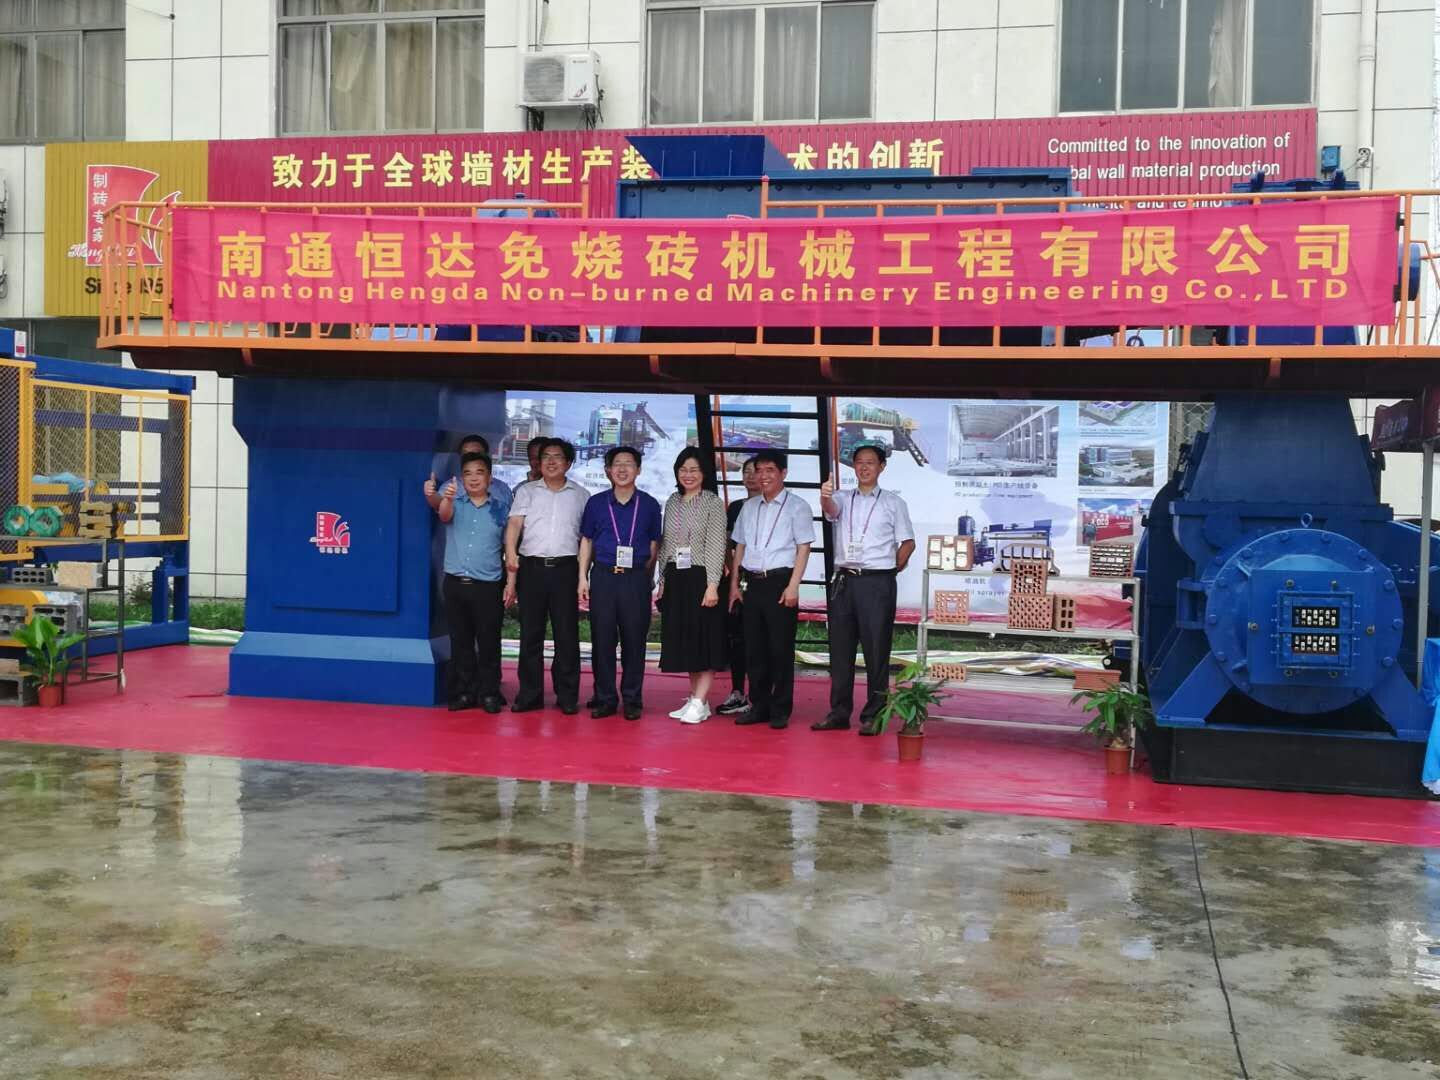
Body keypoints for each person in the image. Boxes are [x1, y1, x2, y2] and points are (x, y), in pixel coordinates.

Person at [813, 444, 916, 735]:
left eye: (870, 462)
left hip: (876, 583)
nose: (864, 467)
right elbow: (831, 511)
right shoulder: (842, 498)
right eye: (859, 462)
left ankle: (874, 714)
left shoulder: (893, 502)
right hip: (844, 582)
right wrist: (824, 497)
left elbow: (908, 542)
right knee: (840, 650)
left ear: (882, 466)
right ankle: (839, 712)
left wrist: (890, 570)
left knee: (876, 649)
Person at [728, 450, 814, 730]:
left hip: (780, 582)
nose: (762, 476)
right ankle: (759, 705)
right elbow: (739, 547)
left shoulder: (797, 506)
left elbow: (803, 548)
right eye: (758, 470)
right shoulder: (749, 507)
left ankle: (780, 708)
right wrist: (734, 585)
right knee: (754, 649)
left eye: (769, 470)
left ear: (783, 473)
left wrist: (793, 586)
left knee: (780, 648)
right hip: (751, 583)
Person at [505, 438, 590, 714]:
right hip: (532, 569)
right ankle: (530, 695)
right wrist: (511, 554)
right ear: (539, 463)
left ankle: (567, 696)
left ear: (569, 463)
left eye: (558, 457)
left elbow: (586, 539)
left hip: (565, 569)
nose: (551, 462)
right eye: (546, 457)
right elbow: (514, 525)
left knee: (566, 634)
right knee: (531, 634)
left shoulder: (581, 495)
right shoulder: (526, 491)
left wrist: (583, 575)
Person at [578, 446, 663, 720]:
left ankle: (632, 699)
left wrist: (645, 576)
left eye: (629, 464)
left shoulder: (649, 505)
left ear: (638, 470)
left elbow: (654, 545)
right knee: (602, 640)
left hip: (635, 578)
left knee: (634, 641)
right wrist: (582, 578)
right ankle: (605, 698)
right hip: (603, 577)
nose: (622, 469)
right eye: (617, 464)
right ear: (608, 470)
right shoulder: (596, 503)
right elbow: (587, 540)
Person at [431, 451, 510, 713]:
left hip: (487, 585)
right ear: (462, 479)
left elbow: (510, 545)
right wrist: (446, 497)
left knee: (489, 641)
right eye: (467, 473)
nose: (473, 478)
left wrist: (511, 581)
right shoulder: (455, 503)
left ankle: (489, 693)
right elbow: (443, 515)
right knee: (461, 641)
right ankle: (465, 692)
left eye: (479, 472)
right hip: (455, 583)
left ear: (490, 477)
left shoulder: (501, 509)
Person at [656, 448, 730, 725]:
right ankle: (697, 699)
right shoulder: (673, 501)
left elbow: (716, 545)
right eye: (683, 470)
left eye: (694, 470)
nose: (688, 475)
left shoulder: (712, 503)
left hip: (701, 577)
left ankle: (699, 701)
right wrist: (662, 580)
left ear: (704, 473)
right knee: (687, 641)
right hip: (676, 577)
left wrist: (713, 585)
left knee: (704, 641)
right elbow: (666, 545)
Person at [717, 456, 761, 717]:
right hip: (738, 579)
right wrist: (733, 571)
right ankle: (737, 691)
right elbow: (727, 544)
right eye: (747, 472)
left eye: (757, 471)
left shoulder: (776, 507)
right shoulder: (735, 508)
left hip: (764, 579)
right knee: (737, 637)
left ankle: (760, 694)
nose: (752, 476)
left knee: (760, 638)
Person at [426, 434, 511, 511]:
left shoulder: (502, 489)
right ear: (460, 457)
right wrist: (432, 495)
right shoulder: (449, 487)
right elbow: (440, 507)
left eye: (476, 454)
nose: (471, 458)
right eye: (466, 455)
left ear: (486, 456)